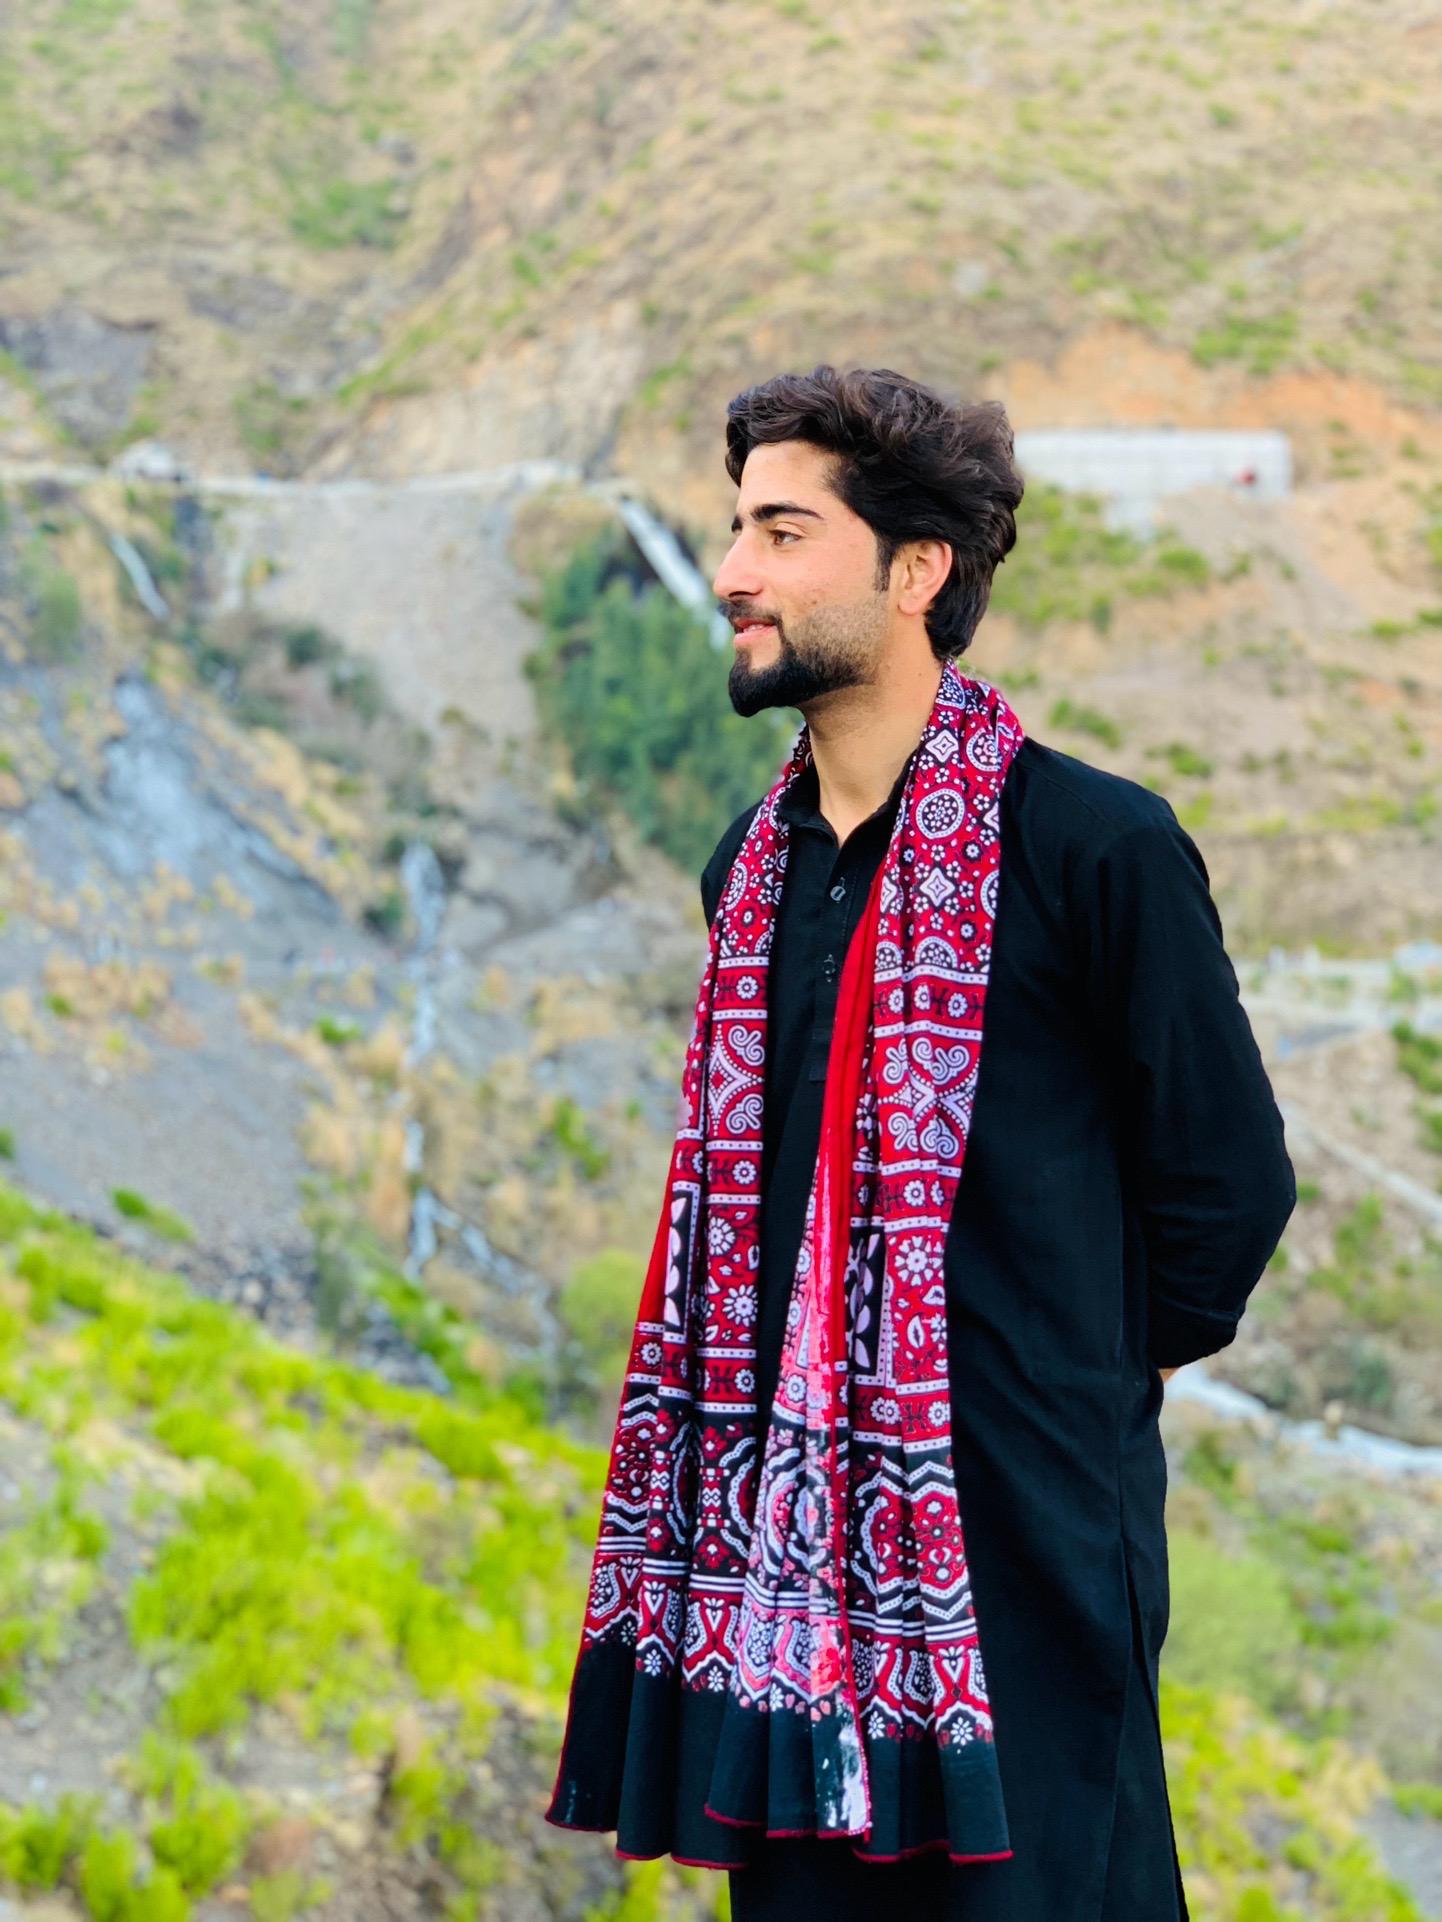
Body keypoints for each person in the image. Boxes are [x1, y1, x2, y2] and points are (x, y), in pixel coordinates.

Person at [547, 366, 1294, 1922]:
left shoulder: (1093, 848)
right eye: (734, 530)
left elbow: (1225, 1186)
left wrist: (1067, 1379)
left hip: (1023, 1547)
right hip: (777, 1554)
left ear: (913, 571)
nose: (734, 573)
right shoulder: (749, 872)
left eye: (781, 533)